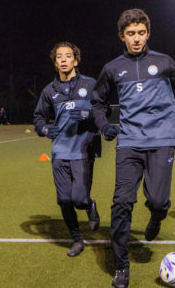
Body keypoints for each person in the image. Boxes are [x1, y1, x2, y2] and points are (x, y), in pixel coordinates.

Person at [91, 8, 175, 288]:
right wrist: (104, 126)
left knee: (158, 201)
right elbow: (97, 102)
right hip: (129, 143)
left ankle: (156, 217)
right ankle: (122, 266)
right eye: (130, 34)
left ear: (148, 34)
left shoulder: (164, 62)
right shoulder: (112, 68)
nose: (136, 39)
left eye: (141, 33)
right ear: (122, 36)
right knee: (121, 202)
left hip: (162, 141)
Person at [33, 41, 101, 258]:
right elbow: (38, 117)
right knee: (64, 200)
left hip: (83, 151)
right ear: (55, 62)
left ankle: (90, 205)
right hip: (60, 152)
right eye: (59, 57)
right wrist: (44, 129)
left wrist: (87, 116)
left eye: (67, 56)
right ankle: (77, 239)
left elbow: (104, 110)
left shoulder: (90, 85)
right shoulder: (49, 91)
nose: (63, 59)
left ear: (76, 60)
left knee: (79, 199)